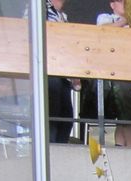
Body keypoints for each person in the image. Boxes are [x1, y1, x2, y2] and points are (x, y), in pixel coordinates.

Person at [95, 0, 131, 146]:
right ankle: (130, 148)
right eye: (121, 1)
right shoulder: (105, 18)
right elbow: (102, 31)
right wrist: (125, 21)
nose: (125, 4)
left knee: (129, 116)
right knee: (128, 115)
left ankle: (121, 147)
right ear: (112, 5)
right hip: (115, 73)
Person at [45, 0, 80, 143]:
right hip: (48, 71)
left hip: (63, 74)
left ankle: (57, 150)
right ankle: (49, 150)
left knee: (65, 119)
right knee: (52, 117)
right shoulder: (40, 8)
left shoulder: (62, 16)